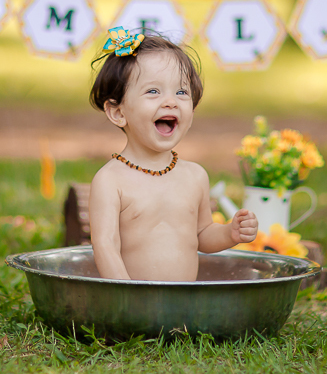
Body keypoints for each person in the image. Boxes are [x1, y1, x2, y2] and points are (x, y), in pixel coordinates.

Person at [87, 28, 258, 281]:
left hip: (182, 306)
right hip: (133, 304)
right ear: (118, 112)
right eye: (153, 92)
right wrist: (127, 297)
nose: (171, 102)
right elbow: (105, 245)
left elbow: (201, 235)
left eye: (181, 92)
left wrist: (229, 233)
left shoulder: (195, 176)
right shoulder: (110, 180)